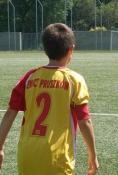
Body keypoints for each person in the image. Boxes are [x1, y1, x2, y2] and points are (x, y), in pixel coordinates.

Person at [0, 23, 99, 175]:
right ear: (71, 49)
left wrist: (0, 147)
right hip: (58, 157)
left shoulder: (28, 78)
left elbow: (10, 114)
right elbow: (84, 120)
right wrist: (93, 154)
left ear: (44, 50)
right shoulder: (74, 80)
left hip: (27, 155)